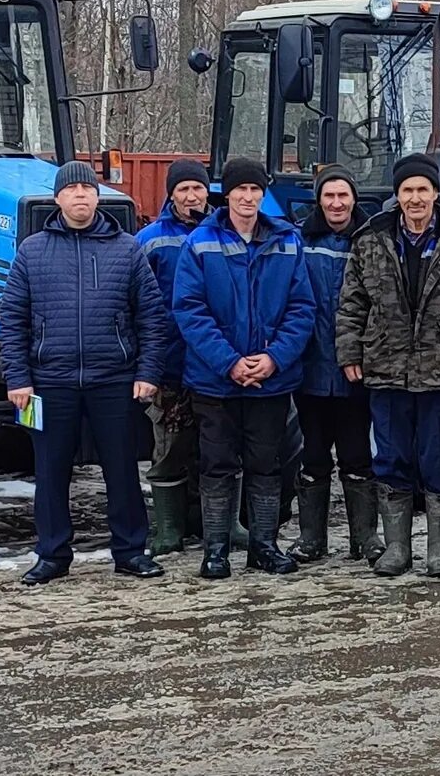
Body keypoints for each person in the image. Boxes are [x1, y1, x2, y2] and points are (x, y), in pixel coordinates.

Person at [0, 161, 179, 585]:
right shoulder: (32, 250)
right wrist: (18, 378)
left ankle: (131, 552)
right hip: (49, 382)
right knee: (51, 471)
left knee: (120, 469)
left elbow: (152, 317)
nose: (80, 195)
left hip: (113, 379)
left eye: (87, 188)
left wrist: (147, 372)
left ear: (98, 197)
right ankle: (52, 555)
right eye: (72, 188)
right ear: (58, 198)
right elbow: (13, 320)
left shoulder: (127, 249)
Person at [336, 153, 440, 579]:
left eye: (422, 190)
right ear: (397, 195)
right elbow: (352, 303)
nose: (414, 198)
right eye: (407, 190)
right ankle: (396, 548)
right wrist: (350, 353)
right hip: (386, 366)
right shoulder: (370, 238)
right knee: (390, 457)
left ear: (435, 194)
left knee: (439, 457)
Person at [168, 157, 318, 579]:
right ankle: (215, 549)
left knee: (266, 464)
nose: (248, 197)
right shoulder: (200, 243)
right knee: (216, 465)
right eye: (241, 190)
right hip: (215, 381)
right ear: (227, 194)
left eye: (255, 189)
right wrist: (229, 362)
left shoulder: (287, 240)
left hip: (270, 380)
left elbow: (302, 308)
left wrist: (274, 359)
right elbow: (190, 310)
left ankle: (263, 546)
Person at [293, 167, 373, 563]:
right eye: (329, 196)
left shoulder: (372, 240)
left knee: (358, 454)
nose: (337, 203)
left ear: (354, 199)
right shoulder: (299, 240)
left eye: (343, 195)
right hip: (309, 369)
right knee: (313, 455)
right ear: (319, 200)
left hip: (356, 370)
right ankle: (312, 539)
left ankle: (365, 537)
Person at [135, 160, 215, 554]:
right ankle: (169, 529)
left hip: (216, 362)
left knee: (215, 448)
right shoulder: (150, 239)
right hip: (168, 363)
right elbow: (137, 302)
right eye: (182, 189)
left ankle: (213, 524)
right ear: (171, 194)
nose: (190, 196)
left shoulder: (225, 233)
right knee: (169, 447)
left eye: (196, 189)